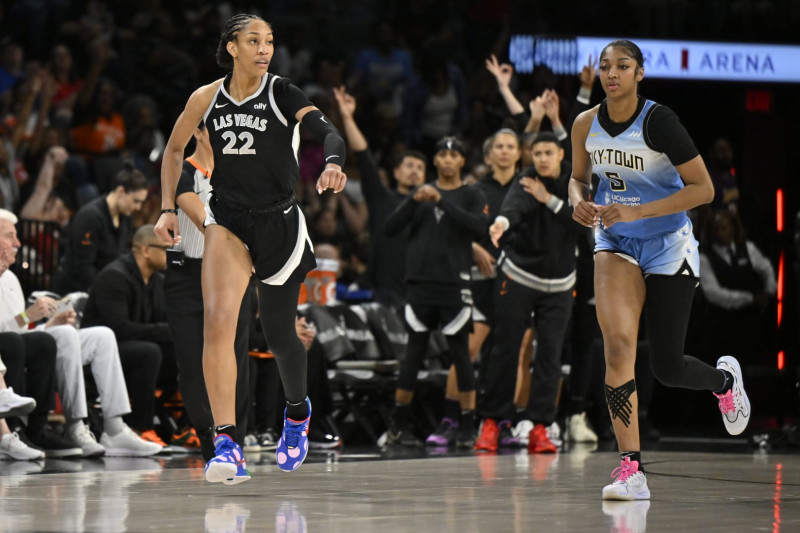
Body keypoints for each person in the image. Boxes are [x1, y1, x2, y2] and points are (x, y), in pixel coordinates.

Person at [154, 13, 347, 485]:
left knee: (281, 336)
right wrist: (166, 210)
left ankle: (297, 416)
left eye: (270, 41)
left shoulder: (283, 92)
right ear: (232, 47)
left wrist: (334, 162)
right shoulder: (206, 97)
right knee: (218, 329)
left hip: (279, 224)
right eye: (254, 41)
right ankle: (227, 443)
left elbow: (329, 134)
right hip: (228, 222)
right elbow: (174, 151)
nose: (264, 49)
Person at [568, 40, 750, 501]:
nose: (612, 74)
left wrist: (641, 211)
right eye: (606, 67)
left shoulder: (660, 121)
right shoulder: (585, 123)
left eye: (622, 66)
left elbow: (704, 190)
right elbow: (576, 178)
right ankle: (631, 469)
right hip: (614, 240)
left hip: (668, 242)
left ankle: (724, 381)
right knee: (618, 347)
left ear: (639, 73)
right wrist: (578, 203)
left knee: (668, 367)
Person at [0, 208, 161, 458]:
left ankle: (114, 427)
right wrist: (27, 316)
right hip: (11, 346)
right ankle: (74, 424)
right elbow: (9, 336)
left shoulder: (11, 279)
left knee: (101, 336)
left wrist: (51, 323)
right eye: (10, 236)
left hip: (22, 342)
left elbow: (22, 331)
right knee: (53, 338)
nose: (18, 243)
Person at [477, 132, 588, 454]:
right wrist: (500, 224)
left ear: (559, 154)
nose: (541, 158)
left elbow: (584, 223)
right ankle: (492, 423)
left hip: (561, 284)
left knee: (550, 356)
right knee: (505, 350)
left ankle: (541, 426)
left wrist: (548, 200)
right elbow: (513, 207)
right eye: (536, 152)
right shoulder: (526, 178)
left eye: (547, 152)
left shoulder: (575, 181)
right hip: (519, 275)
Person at [384, 136, 488, 448]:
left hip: (455, 285)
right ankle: (397, 424)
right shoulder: (419, 195)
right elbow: (389, 229)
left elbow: (478, 227)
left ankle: (467, 425)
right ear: (435, 161)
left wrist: (441, 201)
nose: (446, 159)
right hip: (419, 285)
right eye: (441, 154)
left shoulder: (472, 193)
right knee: (412, 356)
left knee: (461, 356)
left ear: (461, 162)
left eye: (453, 155)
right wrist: (413, 201)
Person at [162, 121, 252, 461]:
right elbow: (203, 220)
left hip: (231, 276)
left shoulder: (242, 174)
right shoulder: (183, 171)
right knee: (191, 362)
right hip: (187, 276)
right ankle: (208, 437)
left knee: (236, 358)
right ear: (198, 132)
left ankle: (235, 441)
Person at [82, 225, 175, 449]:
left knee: (182, 350)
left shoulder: (157, 281)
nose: (169, 255)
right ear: (145, 250)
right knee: (149, 352)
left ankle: (183, 427)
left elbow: (164, 323)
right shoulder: (114, 277)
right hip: (102, 353)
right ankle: (141, 428)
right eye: (165, 249)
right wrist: (164, 331)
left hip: (133, 347)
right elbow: (118, 328)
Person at [333, 86, 426, 311]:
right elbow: (365, 159)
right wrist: (347, 118)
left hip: (420, 294)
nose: (414, 170)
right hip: (382, 293)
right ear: (396, 173)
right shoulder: (382, 198)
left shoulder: (432, 208)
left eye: (420, 168)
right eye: (409, 165)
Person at [53, 162, 149, 294]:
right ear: (121, 191)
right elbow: (82, 267)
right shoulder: (90, 217)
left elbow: (121, 256)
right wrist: (108, 289)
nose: (138, 208)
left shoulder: (126, 217)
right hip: (75, 291)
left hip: (105, 287)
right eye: (135, 201)